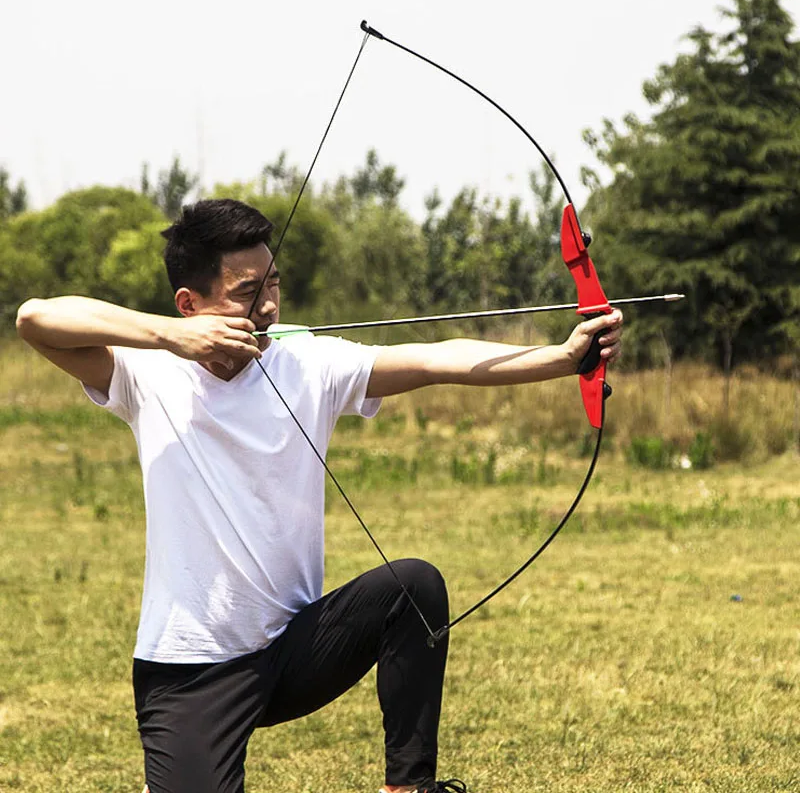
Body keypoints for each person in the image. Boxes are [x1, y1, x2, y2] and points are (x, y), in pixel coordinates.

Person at [15, 198, 623, 793]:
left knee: (413, 588)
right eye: (248, 293)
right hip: (189, 670)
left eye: (274, 284)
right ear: (189, 303)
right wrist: (172, 337)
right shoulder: (144, 371)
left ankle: (408, 787)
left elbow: (440, 360)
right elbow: (35, 318)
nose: (269, 305)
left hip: (296, 646)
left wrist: (561, 358)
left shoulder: (309, 362)